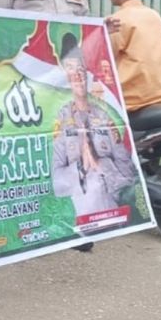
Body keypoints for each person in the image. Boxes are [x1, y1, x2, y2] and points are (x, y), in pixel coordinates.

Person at [51, 33, 136, 222]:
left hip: (113, 206)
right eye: (70, 68)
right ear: (63, 73)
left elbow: (128, 171)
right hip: (85, 210)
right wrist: (81, 168)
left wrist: (102, 165)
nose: (77, 74)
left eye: (80, 68)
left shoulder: (104, 116)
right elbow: (55, 182)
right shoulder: (60, 119)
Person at [104, 0, 161, 112]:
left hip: (130, 102)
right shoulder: (155, 16)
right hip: (159, 96)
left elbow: (105, 58)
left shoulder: (118, 20)